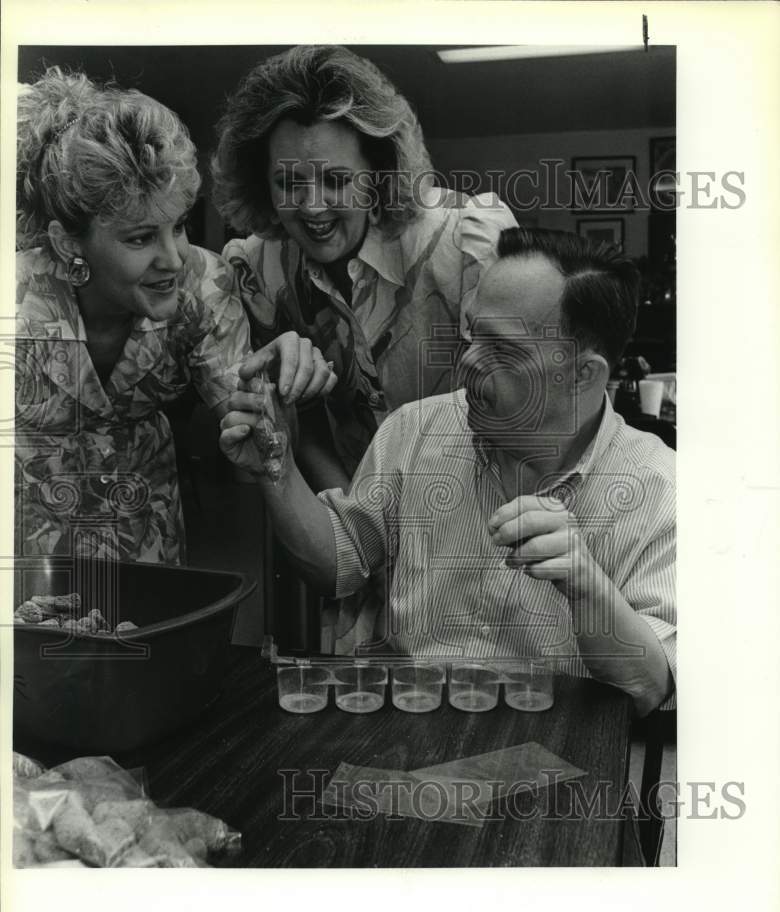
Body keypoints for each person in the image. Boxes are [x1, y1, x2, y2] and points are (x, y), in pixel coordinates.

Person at [220, 228, 676, 716]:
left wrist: (589, 586)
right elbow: (339, 565)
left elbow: (653, 687)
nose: (469, 364)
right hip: (412, 736)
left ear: (584, 374)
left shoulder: (659, 490)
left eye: (502, 351)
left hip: (563, 763)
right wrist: (276, 464)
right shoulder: (418, 431)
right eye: (472, 335)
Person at [15, 67, 334, 564]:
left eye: (179, 226)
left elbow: (253, 451)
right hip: (23, 545)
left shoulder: (205, 286)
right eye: (140, 238)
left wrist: (271, 393)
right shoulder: (14, 300)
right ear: (66, 243)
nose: (175, 258)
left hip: (146, 539)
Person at [212, 44, 517, 491]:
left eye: (336, 181)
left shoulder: (463, 243)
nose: (312, 207)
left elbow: (521, 408)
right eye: (289, 183)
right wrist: (357, 526)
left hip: (478, 511)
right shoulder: (260, 267)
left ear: (378, 175)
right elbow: (305, 430)